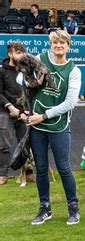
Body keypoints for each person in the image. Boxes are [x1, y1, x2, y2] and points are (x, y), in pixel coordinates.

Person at [21, 30, 82, 225]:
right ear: (50, 44)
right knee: (40, 168)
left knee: (64, 168)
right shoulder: (40, 59)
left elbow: (71, 102)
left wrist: (44, 116)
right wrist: (33, 83)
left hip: (58, 125)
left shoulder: (73, 70)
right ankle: (44, 208)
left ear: (68, 45)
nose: (58, 46)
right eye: (55, 42)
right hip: (36, 125)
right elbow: (21, 81)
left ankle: (73, 208)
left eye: (62, 43)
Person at [0, 42, 27, 185]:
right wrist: (10, 107)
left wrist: (25, 112)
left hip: (23, 114)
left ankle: (27, 174)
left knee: (25, 145)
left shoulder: (26, 70)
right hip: (5, 112)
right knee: (5, 145)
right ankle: (2, 175)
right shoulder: (2, 71)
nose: (20, 55)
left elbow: (30, 92)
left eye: (22, 52)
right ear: (10, 54)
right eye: (17, 52)